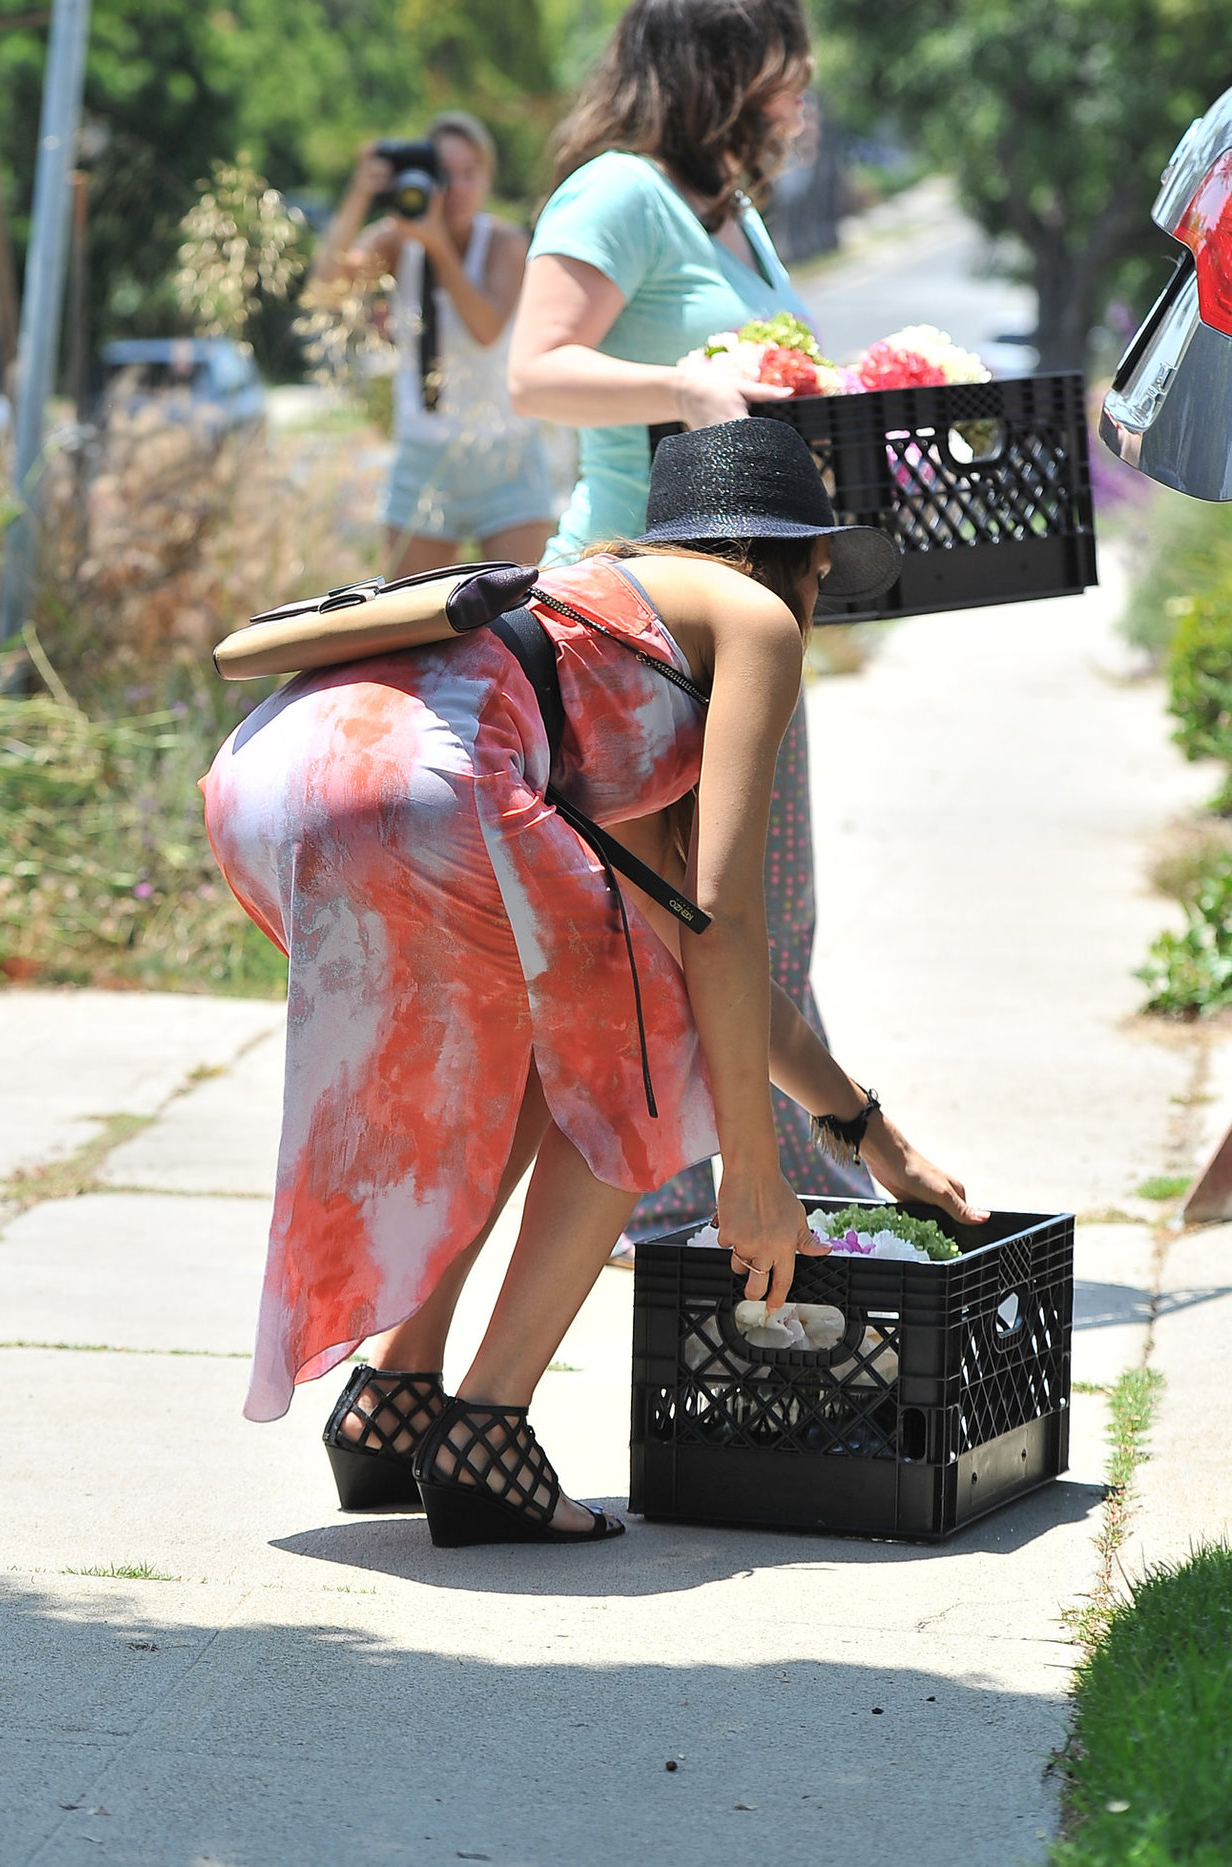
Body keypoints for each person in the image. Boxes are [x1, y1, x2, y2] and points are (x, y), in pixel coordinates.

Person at [200, 419, 985, 1551]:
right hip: (425, 788)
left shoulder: (596, 614)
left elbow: (685, 935)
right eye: (821, 568)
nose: (821, 593)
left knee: (554, 1035)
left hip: (273, 780)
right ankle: (489, 1425)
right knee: (645, 1052)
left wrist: (864, 1130)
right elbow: (722, 919)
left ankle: (397, 1396)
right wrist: (753, 1181)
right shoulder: (754, 617)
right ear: (787, 557)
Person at [507, 0, 871, 1255]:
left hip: (749, 605)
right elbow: (535, 366)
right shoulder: (617, 195)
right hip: (640, 630)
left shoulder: (734, 211)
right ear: (714, 65)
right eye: (781, 65)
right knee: (687, 916)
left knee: (771, 908)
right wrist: (682, 388)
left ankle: (778, 1177)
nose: (800, 87)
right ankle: (698, 1193)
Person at [309, 110, 553, 578]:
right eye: (446, 174)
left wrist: (437, 244)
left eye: (470, 173)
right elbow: (325, 290)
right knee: (409, 622)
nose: (457, 187)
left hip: (507, 455)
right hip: (422, 455)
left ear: (487, 179)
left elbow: (486, 331)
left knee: (523, 618)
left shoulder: (505, 243)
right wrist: (361, 193)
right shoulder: (399, 242)